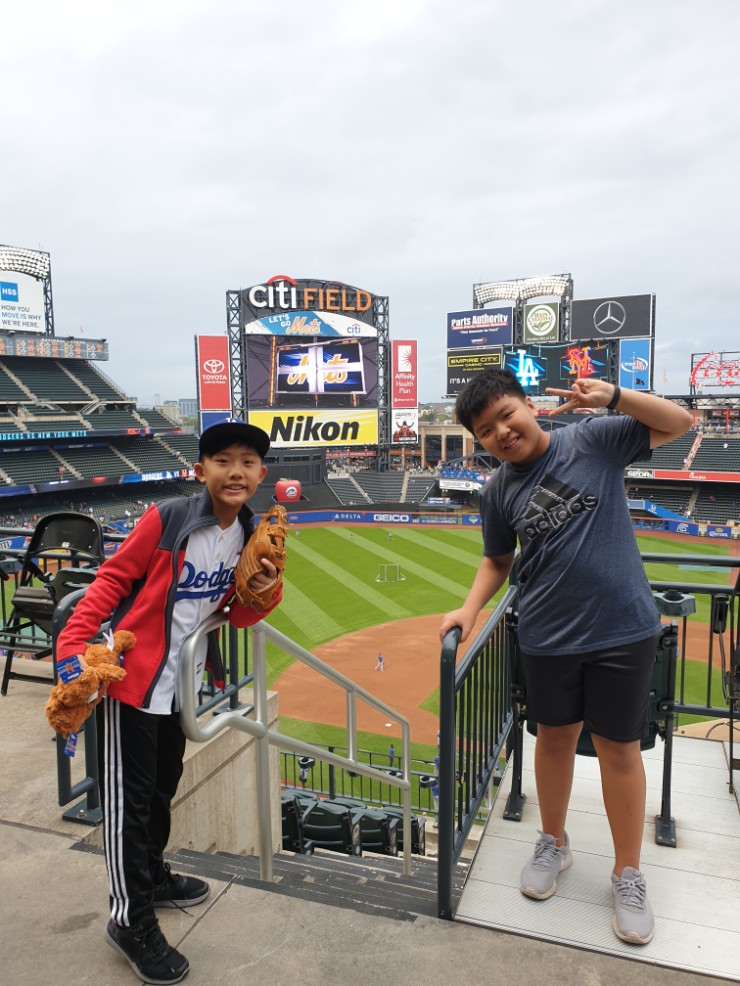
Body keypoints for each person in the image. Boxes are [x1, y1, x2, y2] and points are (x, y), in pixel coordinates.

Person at [439, 369, 692, 946]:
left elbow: (681, 423)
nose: (501, 432)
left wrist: (615, 396)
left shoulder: (594, 438)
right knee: (552, 739)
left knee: (618, 750)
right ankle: (553, 842)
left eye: (506, 415)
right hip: (548, 634)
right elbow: (497, 562)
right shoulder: (497, 491)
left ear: (529, 406)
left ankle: (628, 874)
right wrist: (469, 610)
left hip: (623, 629)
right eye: (485, 430)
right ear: (478, 442)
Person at [55, 419, 282, 985]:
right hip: (131, 682)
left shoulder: (249, 532)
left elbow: (239, 616)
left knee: (161, 791)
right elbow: (108, 583)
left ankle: (151, 877)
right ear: (201, 469)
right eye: (223, 459)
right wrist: (71, 648)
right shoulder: (169, 519)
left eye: (248, 462)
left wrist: (263, 587)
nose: (236, 471)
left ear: (260, 474)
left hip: (180, 687)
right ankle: (128, 920)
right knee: (128, 806)